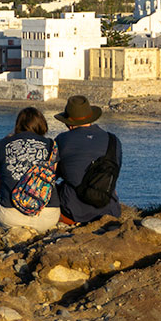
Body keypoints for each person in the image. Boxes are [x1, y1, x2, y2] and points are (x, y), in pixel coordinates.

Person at [0, 106, 60, 249]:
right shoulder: (52, 146)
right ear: (42, 125)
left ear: (18, 125)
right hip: (48, 216)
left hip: (12, 216)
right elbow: (51, 179)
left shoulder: (1, 145)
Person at [55, 95, 122, 224]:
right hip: (110, 211)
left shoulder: (62, 140)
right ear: (91, 117)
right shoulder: (113, 141)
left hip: (72, 214)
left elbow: (52, 175)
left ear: (68, 123)